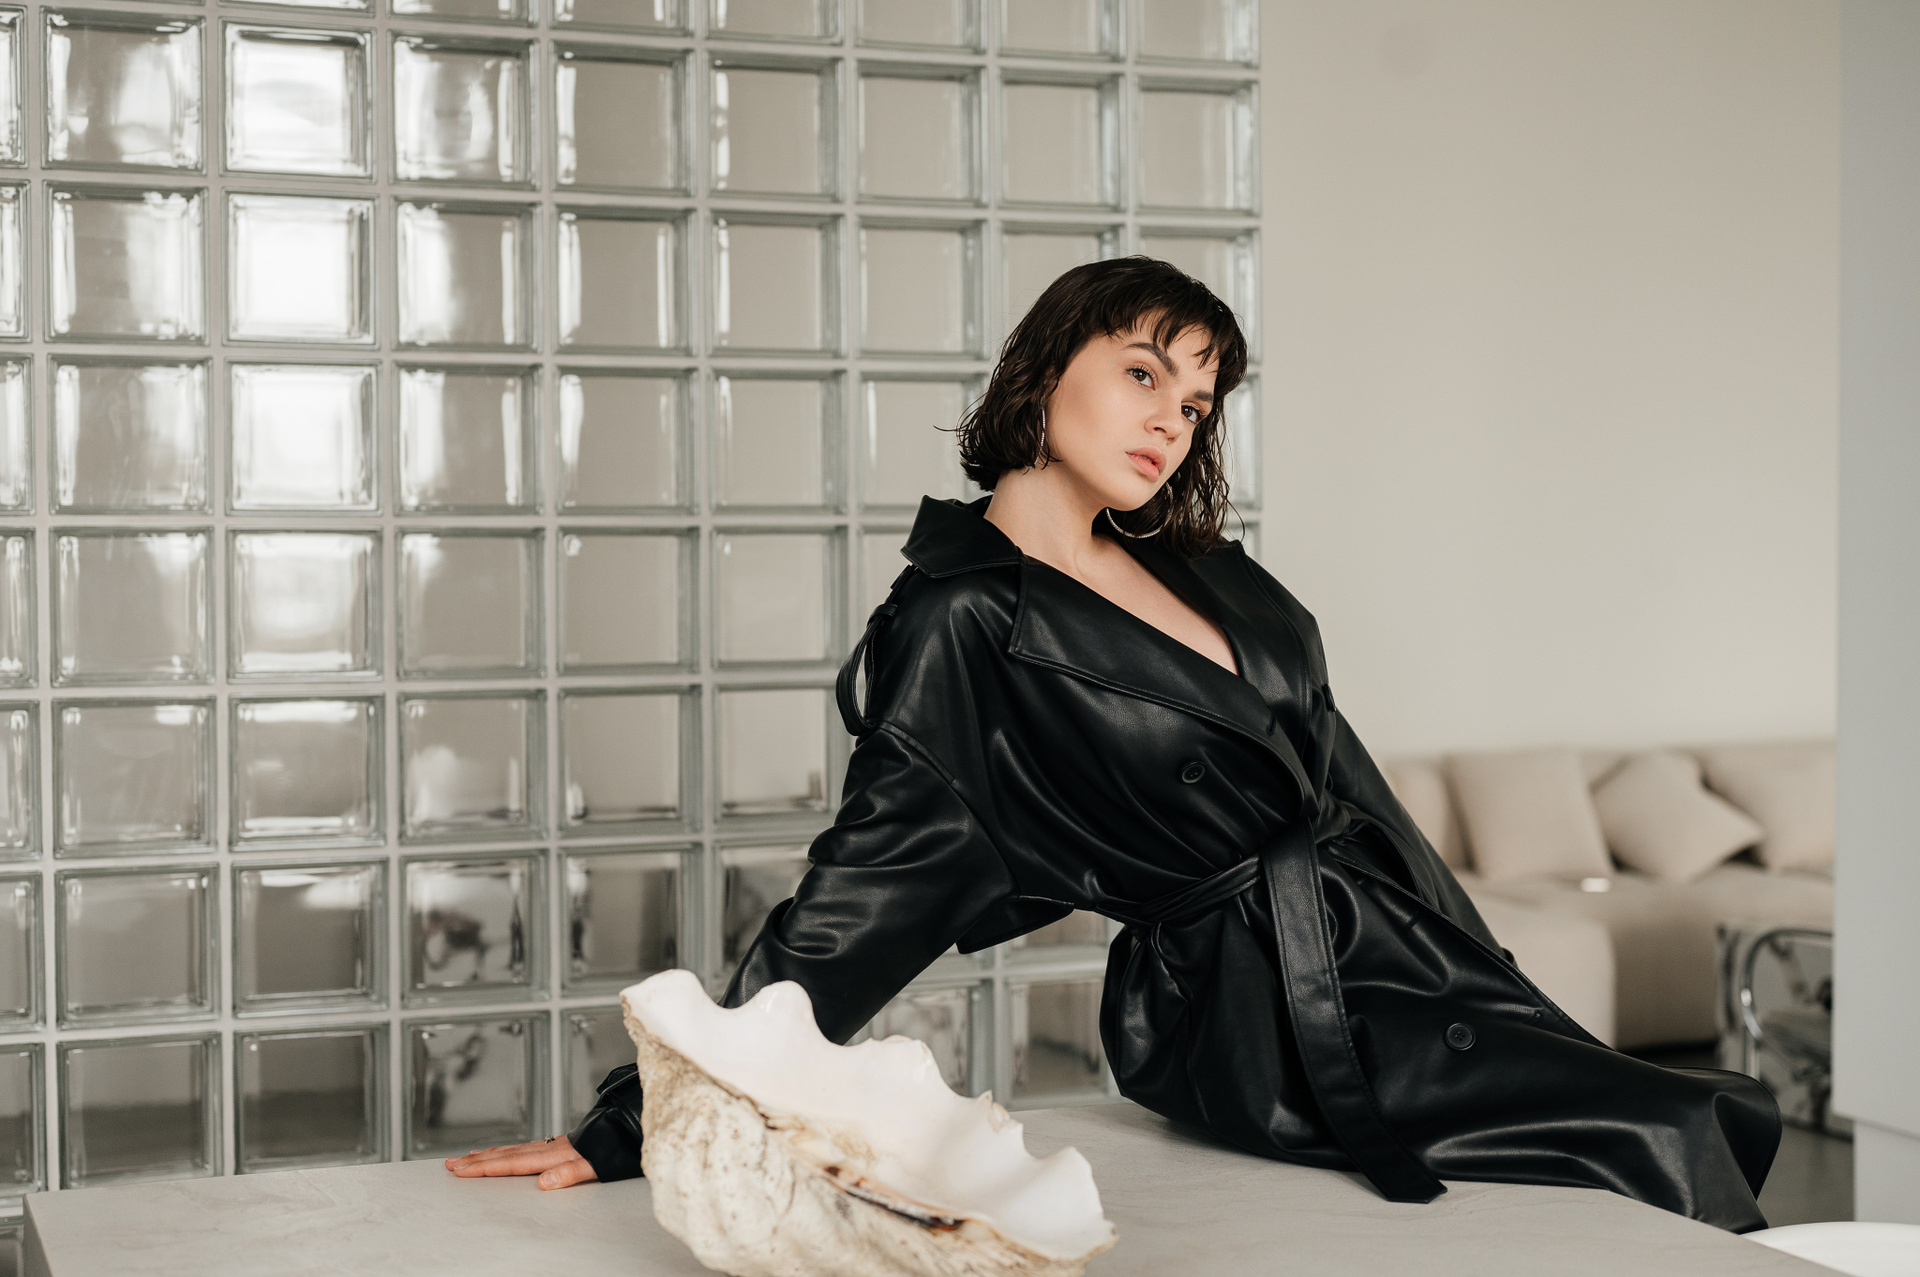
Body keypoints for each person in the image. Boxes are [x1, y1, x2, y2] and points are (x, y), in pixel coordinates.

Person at [447, 257, 1781, 1232]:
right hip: (1259, 1009)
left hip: (1403, 954)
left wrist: (1490, 978)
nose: (1170, 419)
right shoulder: (968, 622)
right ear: (1046, 375)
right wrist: (640, 1115)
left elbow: (1356, 795)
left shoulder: (1209, 570)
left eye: (1196, 402)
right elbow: (859, 898)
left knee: (1686, 1114)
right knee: (1662, 1131)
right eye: (1145, 373)